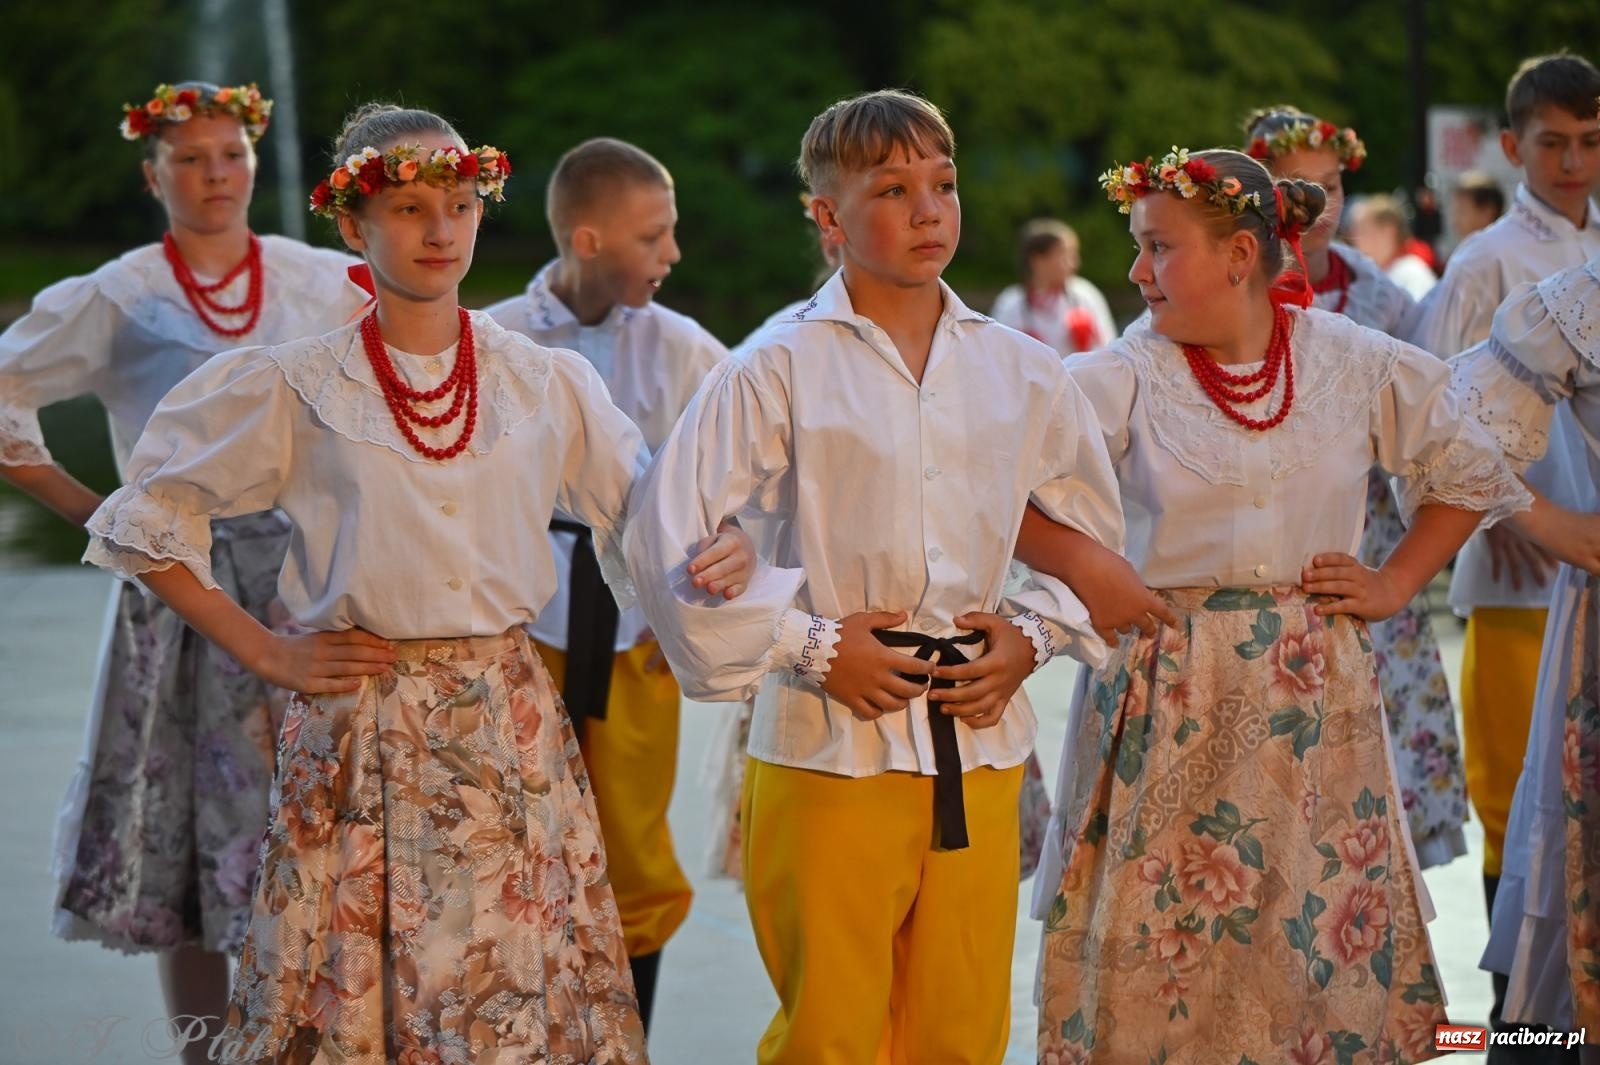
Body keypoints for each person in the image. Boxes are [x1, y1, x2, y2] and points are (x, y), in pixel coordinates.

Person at [79, 102, 753, 1063]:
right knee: (356, 1008)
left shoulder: (541, 380)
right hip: (359, 722)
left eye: (461, 202)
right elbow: (143, 516)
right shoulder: (296, 383)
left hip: (508, 727)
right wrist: (263, 647)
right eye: (407, 207)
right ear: (353, 224)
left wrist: (722, 545)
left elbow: (650, 518)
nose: (440, 230)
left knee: (506, 1001)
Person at [625, 89, 1136, 1064]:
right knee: (831, 1031)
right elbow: (662, 541)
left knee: (961, 1026)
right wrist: (810, 643)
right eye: (893, 189)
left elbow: (1089, 532)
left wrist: (1026, 638)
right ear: (827, 217)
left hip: (977, 743)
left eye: (941, 184)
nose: (929, 208)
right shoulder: (775, 366)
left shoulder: (1020, 369)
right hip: (828, 745)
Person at [1025, 146, 1532, 1063]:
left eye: (1158, 246)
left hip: (1313, 697)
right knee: (1169, 961)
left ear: (1239, 256)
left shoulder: (1350, 360)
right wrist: (1082, 562)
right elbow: (997, 486)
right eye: (1136, 248)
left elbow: (1469, 463)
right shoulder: (1119, 376)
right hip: (1170, 690)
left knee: (1306, 950)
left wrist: (1395, 580)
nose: (1136, 271)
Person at [0, 80, 365, 1063]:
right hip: (183, 587)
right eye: (192, 158)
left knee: (315, 837)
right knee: (203, 862)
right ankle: (204, 1055)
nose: (216, 176)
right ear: (152, 171)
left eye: (232, 154)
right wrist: (105, 513)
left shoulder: (319, 277)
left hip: (307, 579)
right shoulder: (122, 294)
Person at [484, 135, 729, 1028]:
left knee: (632, 849)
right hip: (518, 630)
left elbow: (736, 489)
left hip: (635, 637)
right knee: (507, 839)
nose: (672, 254)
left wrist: (693, 607)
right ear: (588, 240)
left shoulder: (685, 351)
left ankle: (628, 1039)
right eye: (652, 236)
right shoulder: (494, 337)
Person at [1410, 56, 1600, 1019]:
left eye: (1591, 141)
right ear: (1516, 146)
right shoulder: (1486, 260)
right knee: (1520, 807)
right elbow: (1439, 397)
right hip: (1525, 565)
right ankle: (1515, 1020)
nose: (1573, 162)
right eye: (1554, 142)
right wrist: (1508, 506)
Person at [1244, 106, 1469, 870]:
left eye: (1333, 184)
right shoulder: (1229, 285)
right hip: (1260, 555)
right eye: (1296, 184)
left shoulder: (1385, 303)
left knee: (1373, 803)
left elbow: (1442, 438)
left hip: (1366, 550)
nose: (1320, 203)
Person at [1452, 259, 1600, 1062]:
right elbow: (1444, 421)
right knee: (1513, 821)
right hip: (1543, 605)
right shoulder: (1577, 297)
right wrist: (1545, 521)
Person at [990, 218, 1117, 357]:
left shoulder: (1085, 294)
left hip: (1081, 377)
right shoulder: (1011, 304)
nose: (1075, 263)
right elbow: (999, 356)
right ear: (1037, 260)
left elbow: (1107, 349)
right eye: (1066, 255)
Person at [1348, 194, 1439, 299]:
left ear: (1388, 230)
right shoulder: (1370, 275)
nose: (1354, 239)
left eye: (1363, 231)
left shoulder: (1412, 273)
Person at [1452, 170, 1508, 243]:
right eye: (1455, 212)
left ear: (1486, 212)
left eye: (1462, 211)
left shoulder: (1502, 250)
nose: (1455, 221)